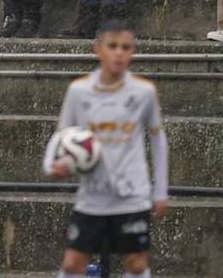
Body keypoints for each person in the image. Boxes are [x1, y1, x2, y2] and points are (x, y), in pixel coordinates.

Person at [44, 19, 169, 278]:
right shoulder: (79, 91)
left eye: (126, 47)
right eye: (112, 46)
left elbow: (158, 140)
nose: (119, 53)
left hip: (132, 194)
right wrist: (52, 166)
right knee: (72, 264)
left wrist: (160, 192)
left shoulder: (144, 92)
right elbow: (61, 135)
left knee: (136, 263)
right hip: (93, 196)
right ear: (97, 49)